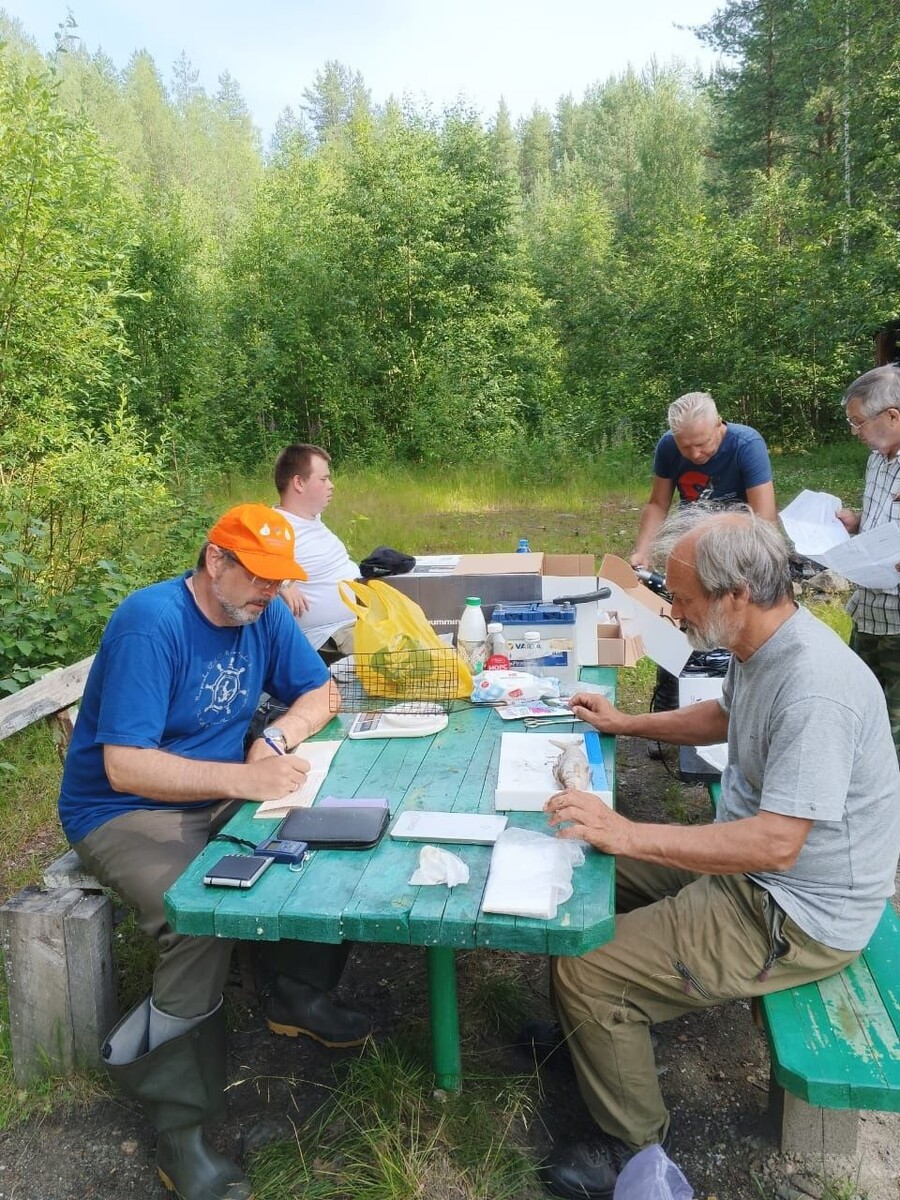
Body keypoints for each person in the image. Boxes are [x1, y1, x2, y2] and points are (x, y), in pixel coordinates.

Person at [533, 508, 900, 1200]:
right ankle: (591, 1039)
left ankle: (630, 1146)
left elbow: (775, 844)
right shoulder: (762, 645)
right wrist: (624, 721)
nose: (672, 612)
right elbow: (722, 716)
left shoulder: (816, 686)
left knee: (586, 969)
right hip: (754, 864)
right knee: (584, 864)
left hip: (794, 909)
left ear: (737, 595)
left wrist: (629, 831)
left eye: (682, 599)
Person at [58, 503, 370, 1200]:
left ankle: (296, 993)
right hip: (125, 810)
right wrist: (245, 776)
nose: (270, 592)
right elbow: (125, 767)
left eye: (277, 580)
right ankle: (181, 1130)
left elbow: (320, 693)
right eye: (258, 577)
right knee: (196, 911)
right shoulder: (153, 622)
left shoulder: (262, 616)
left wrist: (279, 739)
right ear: (216, 561)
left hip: (220, 789)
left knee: (322, 839)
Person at [629, 391, 776, 570]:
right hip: (692, 532)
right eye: (685, 447)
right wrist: (643, 552)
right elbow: (658, 505)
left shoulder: (747, 445)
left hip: (739, 535)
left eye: (701, 444)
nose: (694, 454)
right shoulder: (667, 446)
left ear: (718, 423)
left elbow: (764, 519)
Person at [837, 364, 900, 754]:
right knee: (857, 712)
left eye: (858, 422)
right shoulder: (878, 458)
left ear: (892, 416)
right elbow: (881, 523)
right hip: (868, 612)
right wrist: (856, 523)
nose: (855, 431)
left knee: (892, 734)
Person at [274, 443, 358, 656]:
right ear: (299, 483)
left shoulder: (311, 520)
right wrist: (280, 582)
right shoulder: (274, 527)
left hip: (358, 622)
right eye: (323, 479)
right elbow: (233, 560)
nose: (331, 485)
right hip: (330, 638)